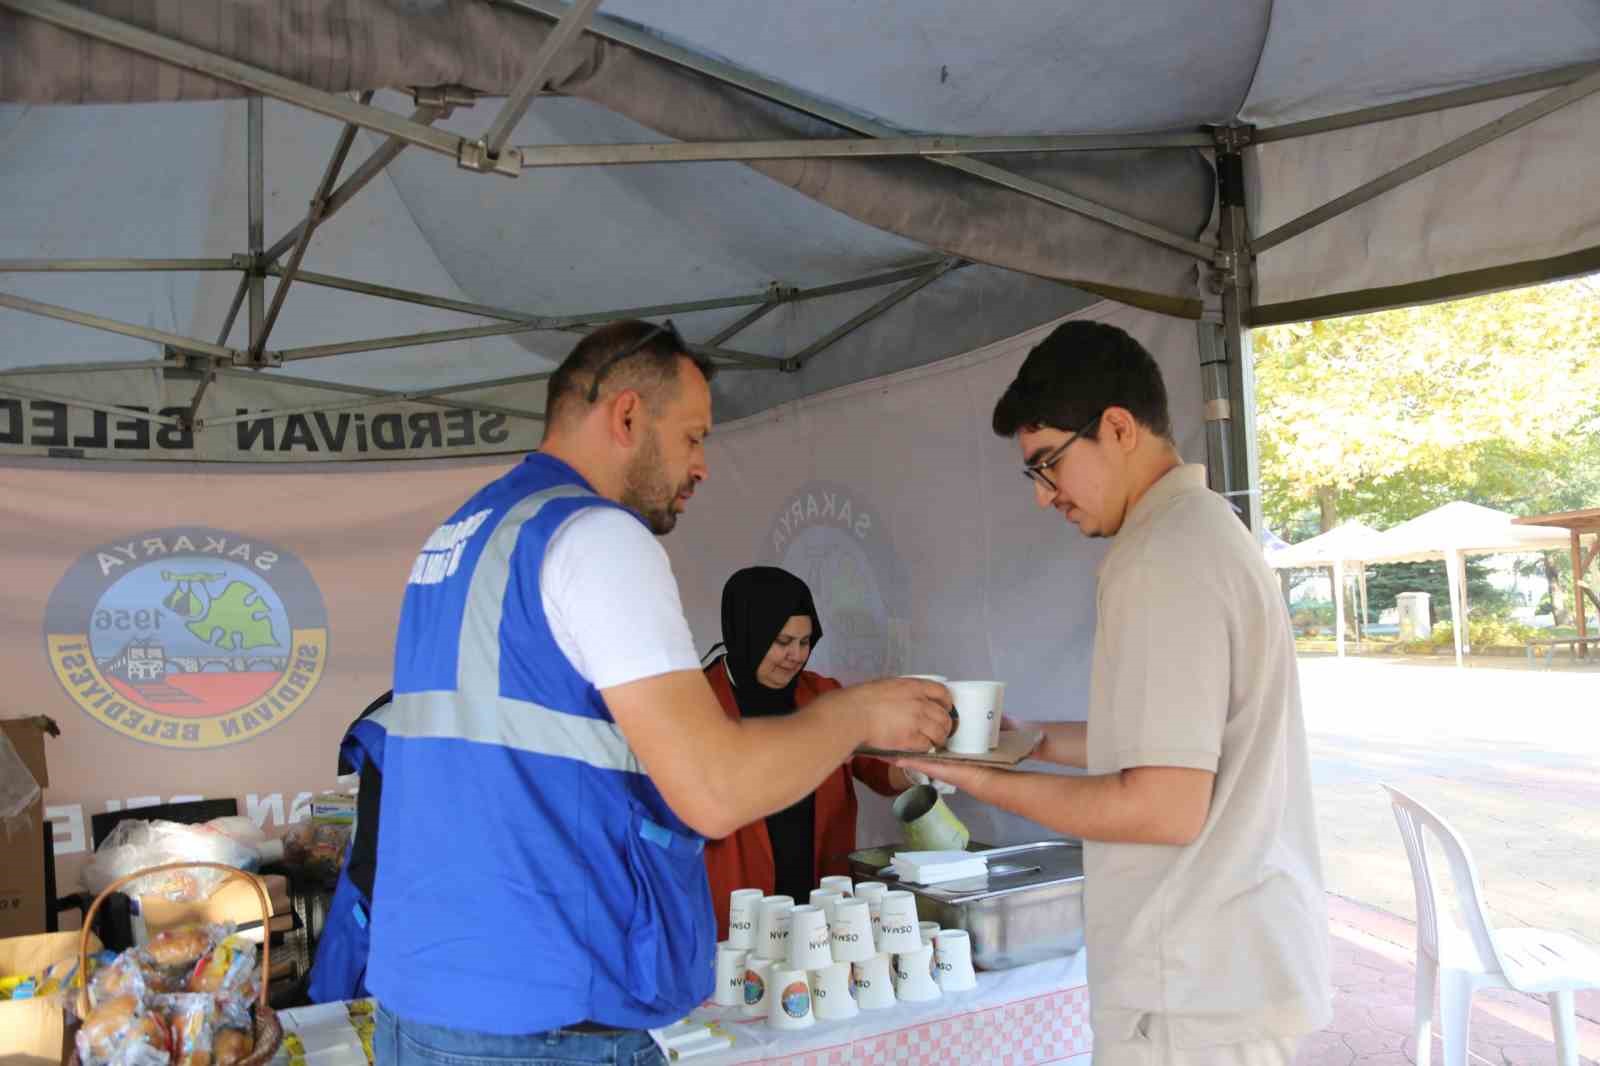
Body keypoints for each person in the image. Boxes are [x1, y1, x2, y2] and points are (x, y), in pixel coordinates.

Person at [367, 319, 952, 1066]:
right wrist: (859, 711)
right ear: (628, 416)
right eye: (694, 437)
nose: (702, 465)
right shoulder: (595, 537)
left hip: (429, 1001)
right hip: (547, 1016)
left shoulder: (462, 535)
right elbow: (713, 789)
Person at [898, 320, 1330, 1065]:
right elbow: (1175, 741)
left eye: (1047, 464)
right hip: (1222, 975)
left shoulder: (1164, 560)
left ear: (1118, 428)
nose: (1044, 496)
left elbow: (1162, 803)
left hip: (1191, 993)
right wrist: (1029, 738)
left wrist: (982, 782)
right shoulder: (1199, 532)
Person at [701, 566, 912, 935]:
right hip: (734, 899)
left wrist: (919, 767)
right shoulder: (698, 702)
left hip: (818, 894)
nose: (795, 655)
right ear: (747, 632)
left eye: (805, 641)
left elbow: (879, 769)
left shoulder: (823, 694)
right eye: (782, 641)